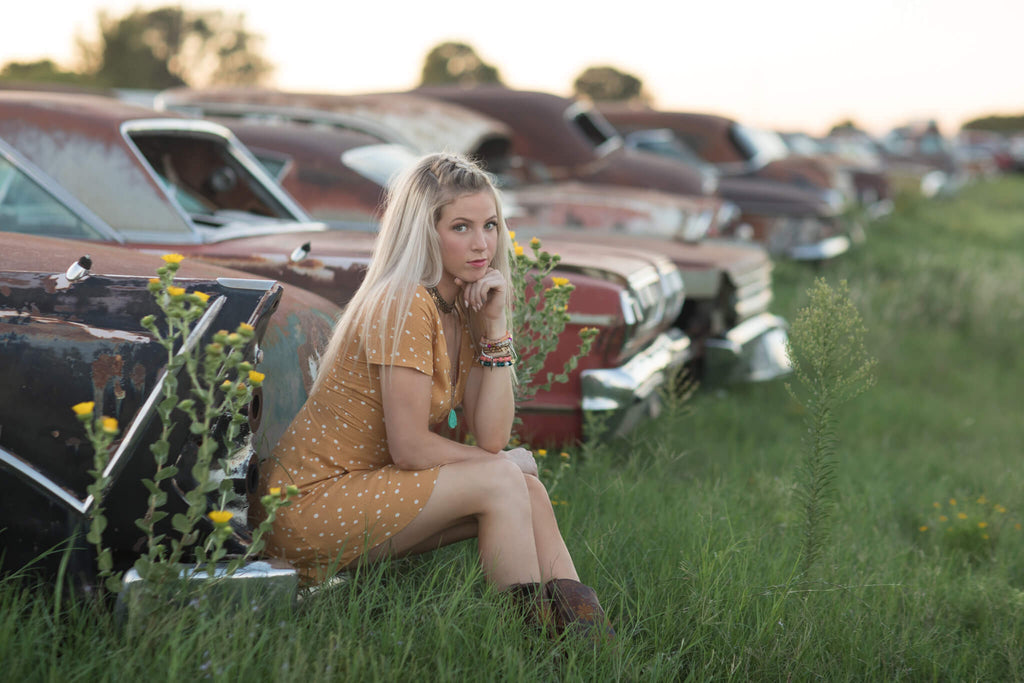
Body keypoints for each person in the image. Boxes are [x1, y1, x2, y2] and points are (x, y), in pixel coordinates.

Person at [259, 152, 613, 637]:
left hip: (366, 490)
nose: (482, 244)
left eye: (490, 225)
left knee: (523, 488)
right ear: (426, 232)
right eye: (461, 227)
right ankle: (532, 646)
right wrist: (503, 465)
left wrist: (496, 324)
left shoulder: (457, 309)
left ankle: (585, 642)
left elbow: (490, 437)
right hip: (306, 506)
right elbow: (410, 449)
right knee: (503, 479)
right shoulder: (406, 302)